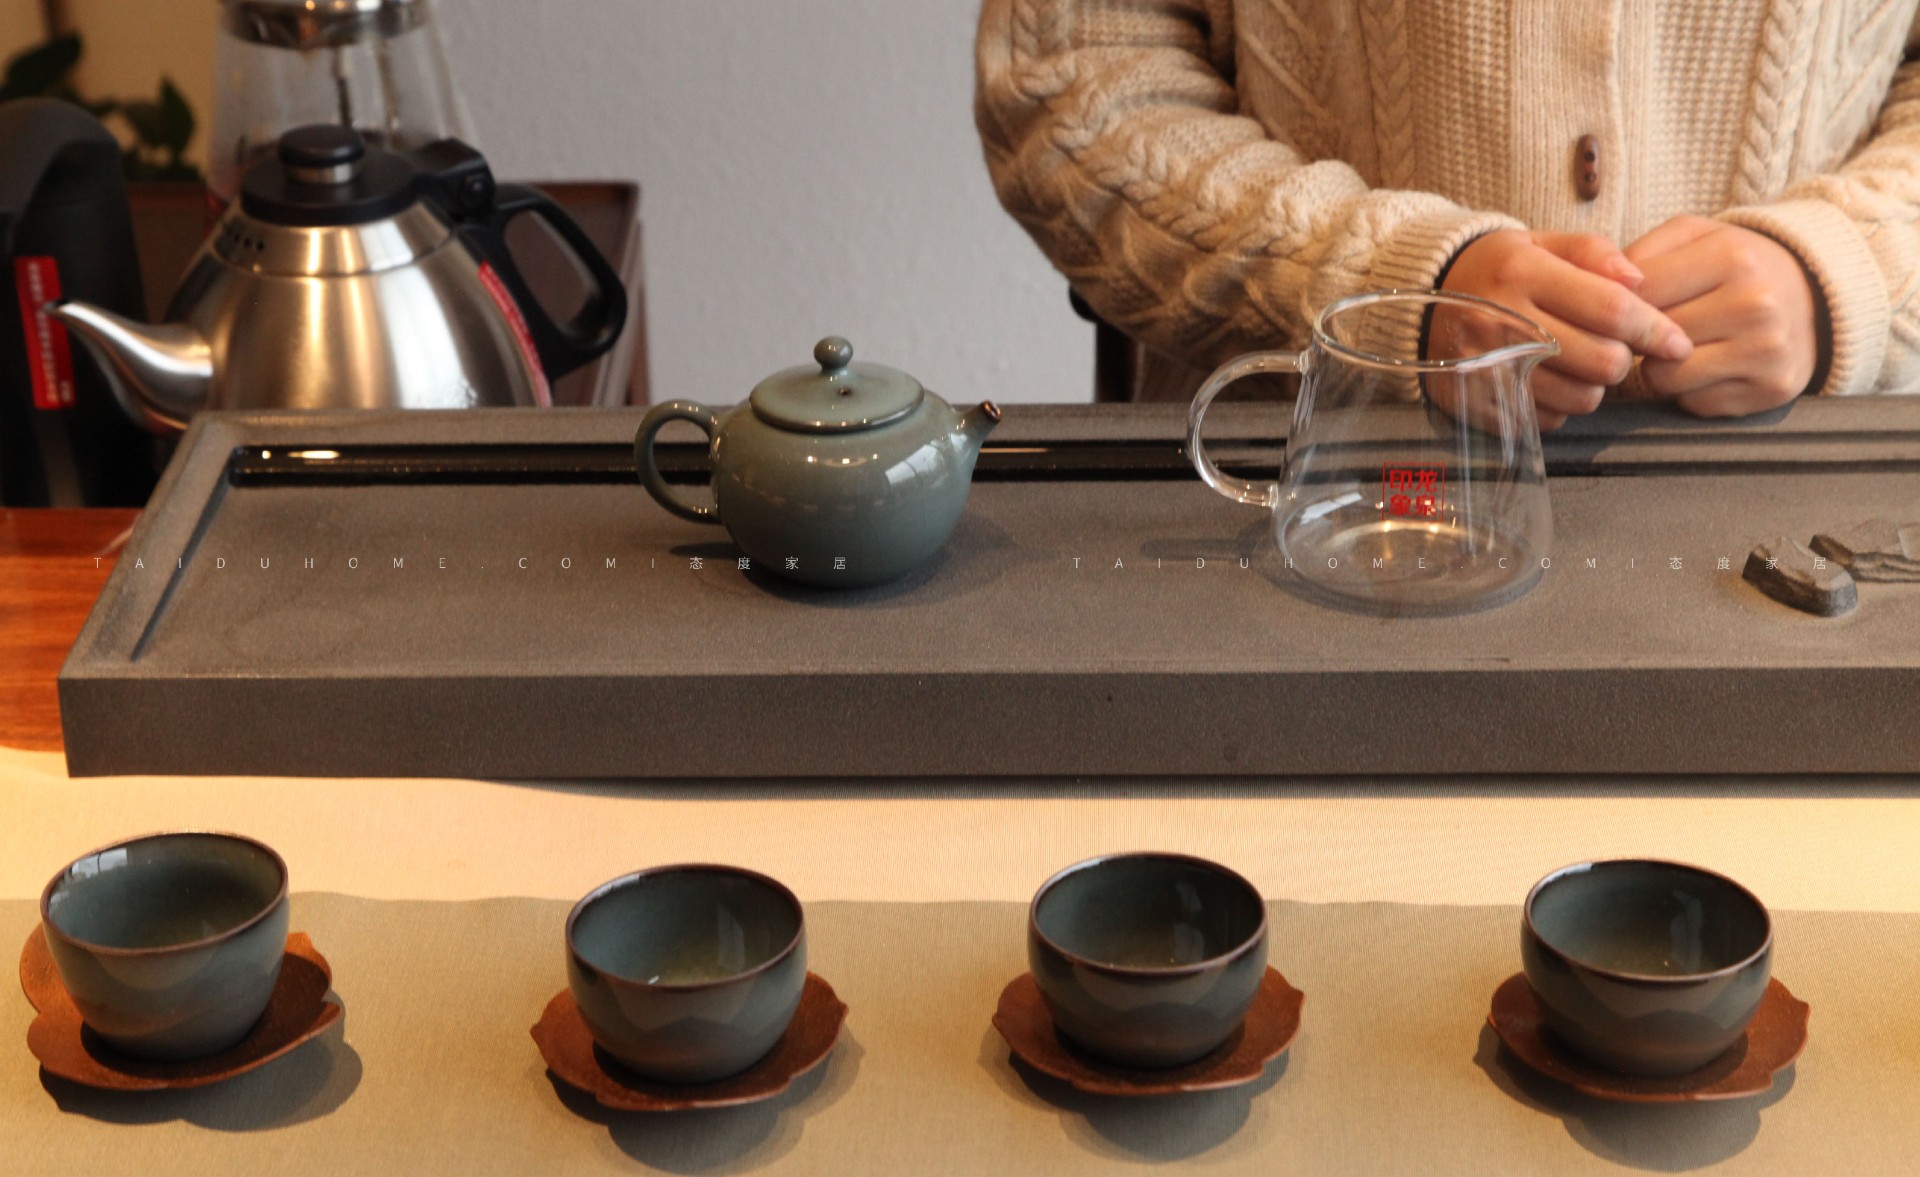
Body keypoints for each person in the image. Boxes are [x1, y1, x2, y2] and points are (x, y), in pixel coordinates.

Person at [975, 1, 1920, 425]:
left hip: (1813, 525)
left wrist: (1843, 276)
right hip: (1303, 505)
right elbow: (1069, 82)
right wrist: (1378, 285)